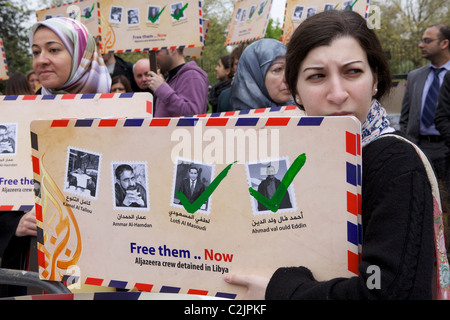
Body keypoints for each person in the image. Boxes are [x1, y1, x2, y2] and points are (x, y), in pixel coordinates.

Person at [225, 10, 448, 300]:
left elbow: (383, 288)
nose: (338, 93)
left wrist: (282, 291)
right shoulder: (292, 158)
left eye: (352, 72)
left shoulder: (394, 163)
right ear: (296, 92)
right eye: (317, 76)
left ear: (375, 79)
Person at [400, 24, 450, 192]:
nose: (421, 45)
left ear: (444, 44)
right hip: (421, 146)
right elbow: (405, 116)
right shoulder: (415, 76)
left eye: (427, 41)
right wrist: (411, 140)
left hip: (447, 146)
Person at [30, 17, 111, 94]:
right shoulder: (27, 105)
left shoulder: (117, 100)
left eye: (54, 50)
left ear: (81, 56)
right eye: (36, 52)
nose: (41, 60)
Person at [230, 38, 294, 110]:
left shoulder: (302, 111)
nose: (289, 78)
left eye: (289, 69)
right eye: (277, 69)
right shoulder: (238, 120)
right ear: (255, 76)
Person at [146, 48, 209, 117]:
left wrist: (162, 89)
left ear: (172, 50)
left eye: (157, 52)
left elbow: (192, 115)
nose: (153, 58)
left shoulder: (192, 75)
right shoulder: (170, 78)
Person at [217, 44, 247, 112]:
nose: (241, 66)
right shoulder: (224, 96)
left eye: (245, 61)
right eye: (237, 64)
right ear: (232, 67)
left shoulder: (262, 91)